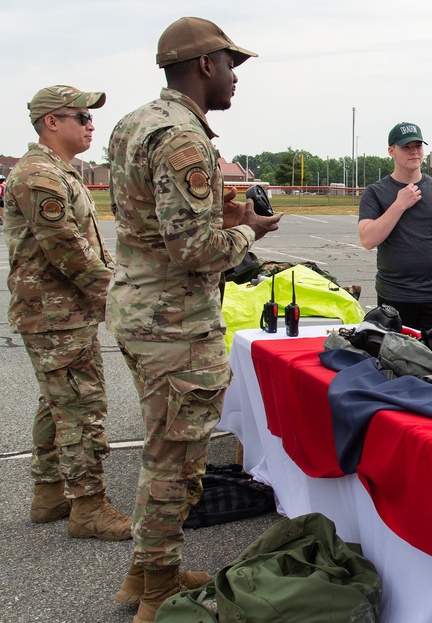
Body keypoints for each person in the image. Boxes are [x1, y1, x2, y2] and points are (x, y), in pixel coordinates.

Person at [106, 17, 281, 623]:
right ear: (205, 65)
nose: (235, 78)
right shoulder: (184, 139)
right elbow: (195, 250)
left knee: (163, 445)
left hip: (139, 310)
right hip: (173, 324)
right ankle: (157, 592)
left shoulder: (134, 124)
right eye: (231, 65)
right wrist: (246, 229)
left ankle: (144, 571)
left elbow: (149, 219)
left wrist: (219, 212)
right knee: (175, 461)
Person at [4, 85, 132, 540]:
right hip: (55, 314)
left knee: (57, 401)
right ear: (51, 122)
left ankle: (50, 493)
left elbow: (84, 250)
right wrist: (123, 296)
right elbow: (70, 253)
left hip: (59, 312)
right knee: (81, 407)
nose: (90, 124)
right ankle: (89, 507)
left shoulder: (59, 172)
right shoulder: (40, 176)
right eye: (81, 116)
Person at [357, 122, 432, 333]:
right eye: (406, 147)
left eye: (417, 146)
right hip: (395, 295)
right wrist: (399, 205)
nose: (414, 151)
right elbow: (367, 239)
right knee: (396, 358)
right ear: (391, 151)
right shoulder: (375, 192)